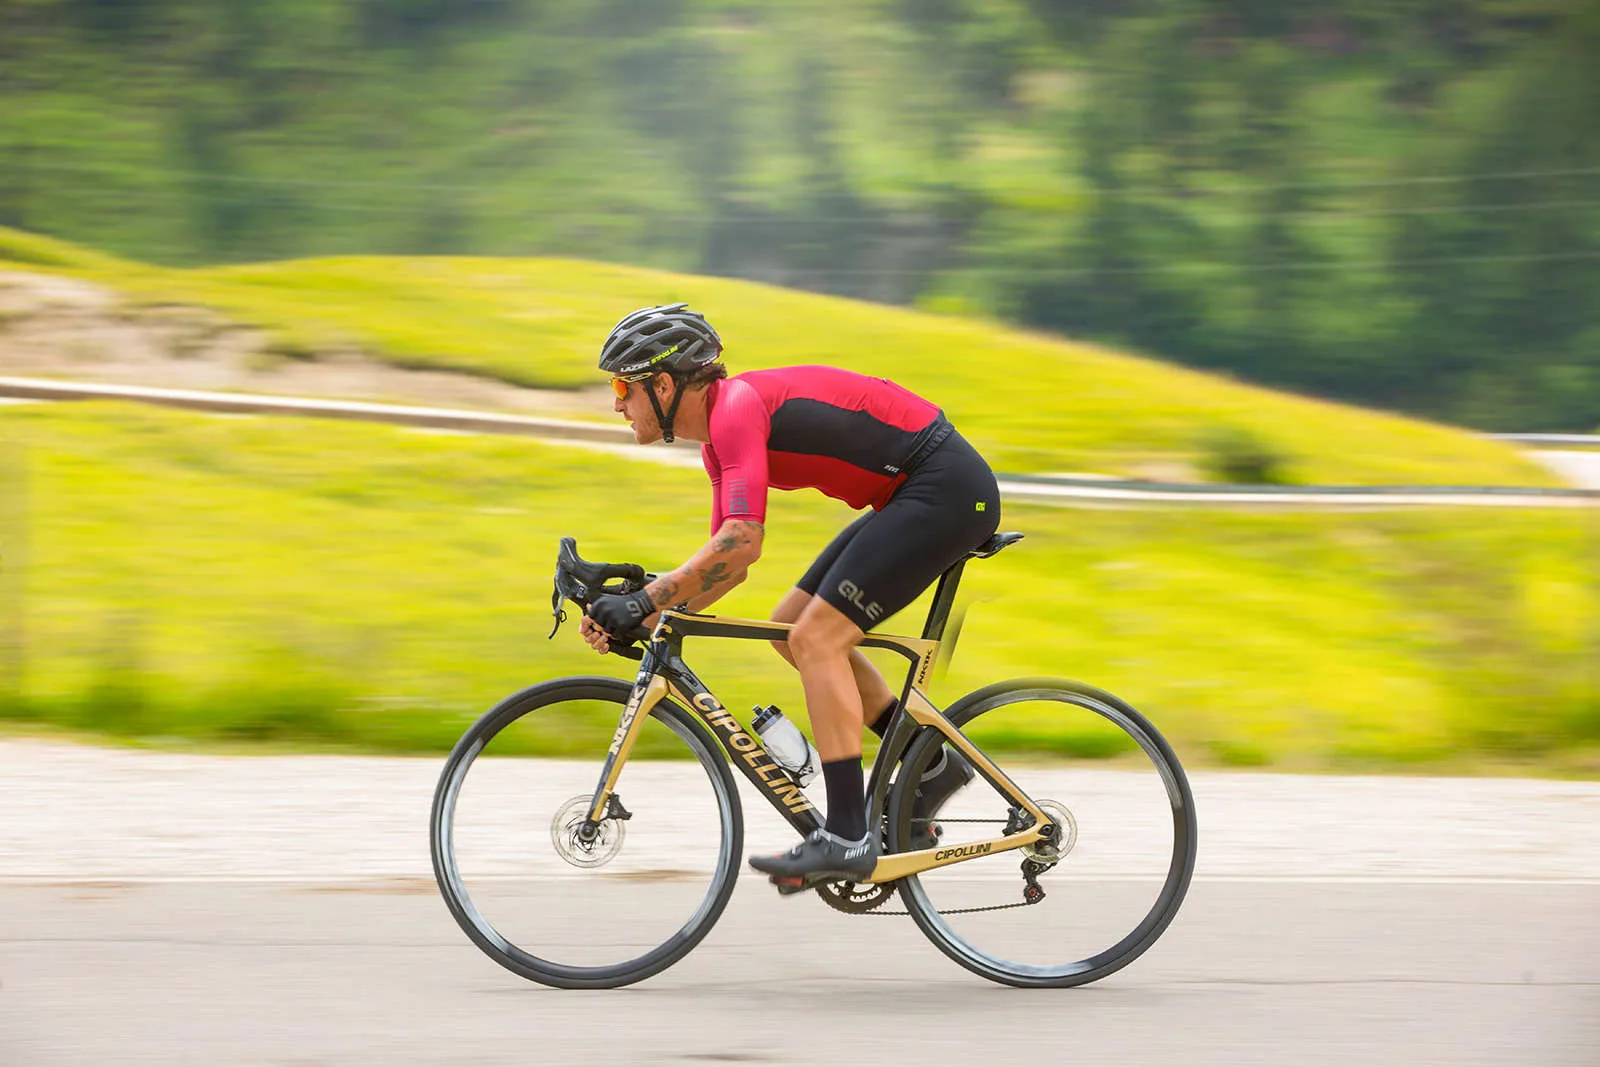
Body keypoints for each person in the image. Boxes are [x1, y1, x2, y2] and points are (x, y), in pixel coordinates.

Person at [580, 303, 1000, 886]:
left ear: (665, 383)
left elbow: (741, 541)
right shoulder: (717, 444)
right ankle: (930, 767)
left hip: (943, 488)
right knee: (791, 628)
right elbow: (725, 568)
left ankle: (848, 835)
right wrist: (643, 616)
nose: (617, 402)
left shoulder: (735, 410)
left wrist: (648, 600)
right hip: (915, 492)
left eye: (623, 386)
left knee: (816, 638)